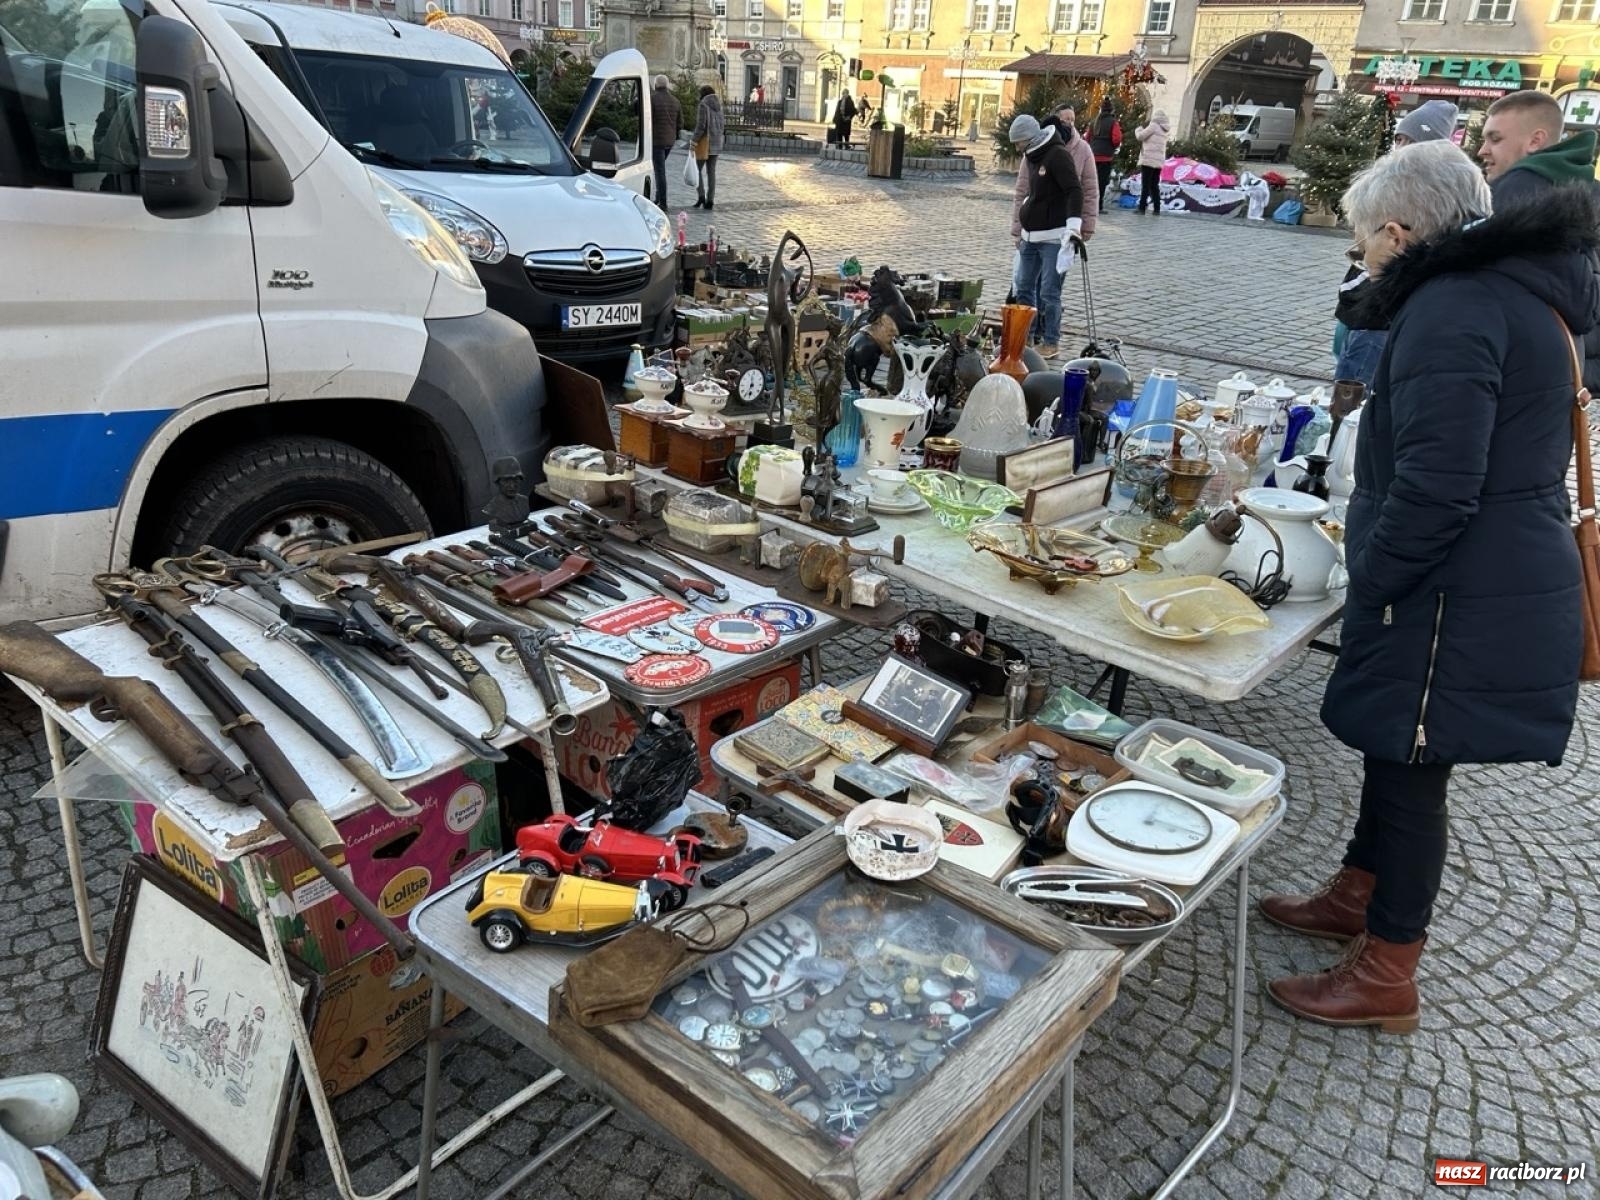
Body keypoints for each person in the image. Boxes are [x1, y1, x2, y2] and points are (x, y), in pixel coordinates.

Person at [1262, 140, 1593, 1032]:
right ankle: (1359, 894)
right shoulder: (1504, 288)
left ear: (1402, 232)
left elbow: (1441, 482)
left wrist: (1373, 571)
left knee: (1412, 765)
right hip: (1473, 570)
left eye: (1364, 239)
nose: (1361, 254)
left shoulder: (1454, 305)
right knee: (1396, 749)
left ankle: (1387, 970)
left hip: (1457, 583)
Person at [1478, 89, 1600, 389]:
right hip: (1568, 375)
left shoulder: (1513, 197)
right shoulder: (1591, 193)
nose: (1482, 150)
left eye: (1495, 139)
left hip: (1509, 374)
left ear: (1536, 141)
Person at [1331, 102, 1458, 387]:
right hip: (1360, 303)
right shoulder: (1389, 181)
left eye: (1410, 141)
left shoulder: (1431, 194)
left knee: (1354, 398)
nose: (1400, 146)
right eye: (1399, 139)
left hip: (1381, 313)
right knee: (1347, 377)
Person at [1008, 114, 1083, 360]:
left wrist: (1074, 226)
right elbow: (1030, 191)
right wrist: (1020, 225)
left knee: (1049, 291)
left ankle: (1051, 341)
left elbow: (1074, 190)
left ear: (1029, 139)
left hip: (1052, 236)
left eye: (1018, 143)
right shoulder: (1032, 156)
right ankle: (1025, 336)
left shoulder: (1057, 155)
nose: (1017, 148)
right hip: (1030, 235)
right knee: (1024, 287)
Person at [650, 75, 680, 212]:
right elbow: (681, 123)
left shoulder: (652, 98)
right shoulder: (675, 100)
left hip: (656, 140)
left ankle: (663, 202)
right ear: (667, 85)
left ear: (656, 85)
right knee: (660, 168)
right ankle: (658, 197)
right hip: (670, 140)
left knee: (659, 171)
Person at [692, 84, 724, 210]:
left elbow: (701, 126)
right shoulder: (719, 106)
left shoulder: (703, 105)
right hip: (717, 142)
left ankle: (701, 196)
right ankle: (710, 200)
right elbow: (722, 125)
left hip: (705, 142)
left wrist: (693, 141)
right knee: (711, 172)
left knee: (696, 169)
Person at [1134, 109, 1169, 214]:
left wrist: (1138, 129)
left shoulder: (1154, 125)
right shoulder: (1164, 129)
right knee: (1154, 185)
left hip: (1149, 159)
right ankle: (1157, 209)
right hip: (1158, 161)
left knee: (1145, 185)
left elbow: (1141, 136)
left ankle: (1142, 208)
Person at [1088, 106, 1122, 213]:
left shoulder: (1094, 122)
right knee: (1101, 183)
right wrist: (1112, 146)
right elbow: (1116, 139)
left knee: (1091, 181)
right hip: (1105, 156)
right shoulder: (1113, 122)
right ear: (1112, 111)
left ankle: (1089, 205)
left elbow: (1088, 137)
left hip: (1093, 155)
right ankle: (1098, 206)